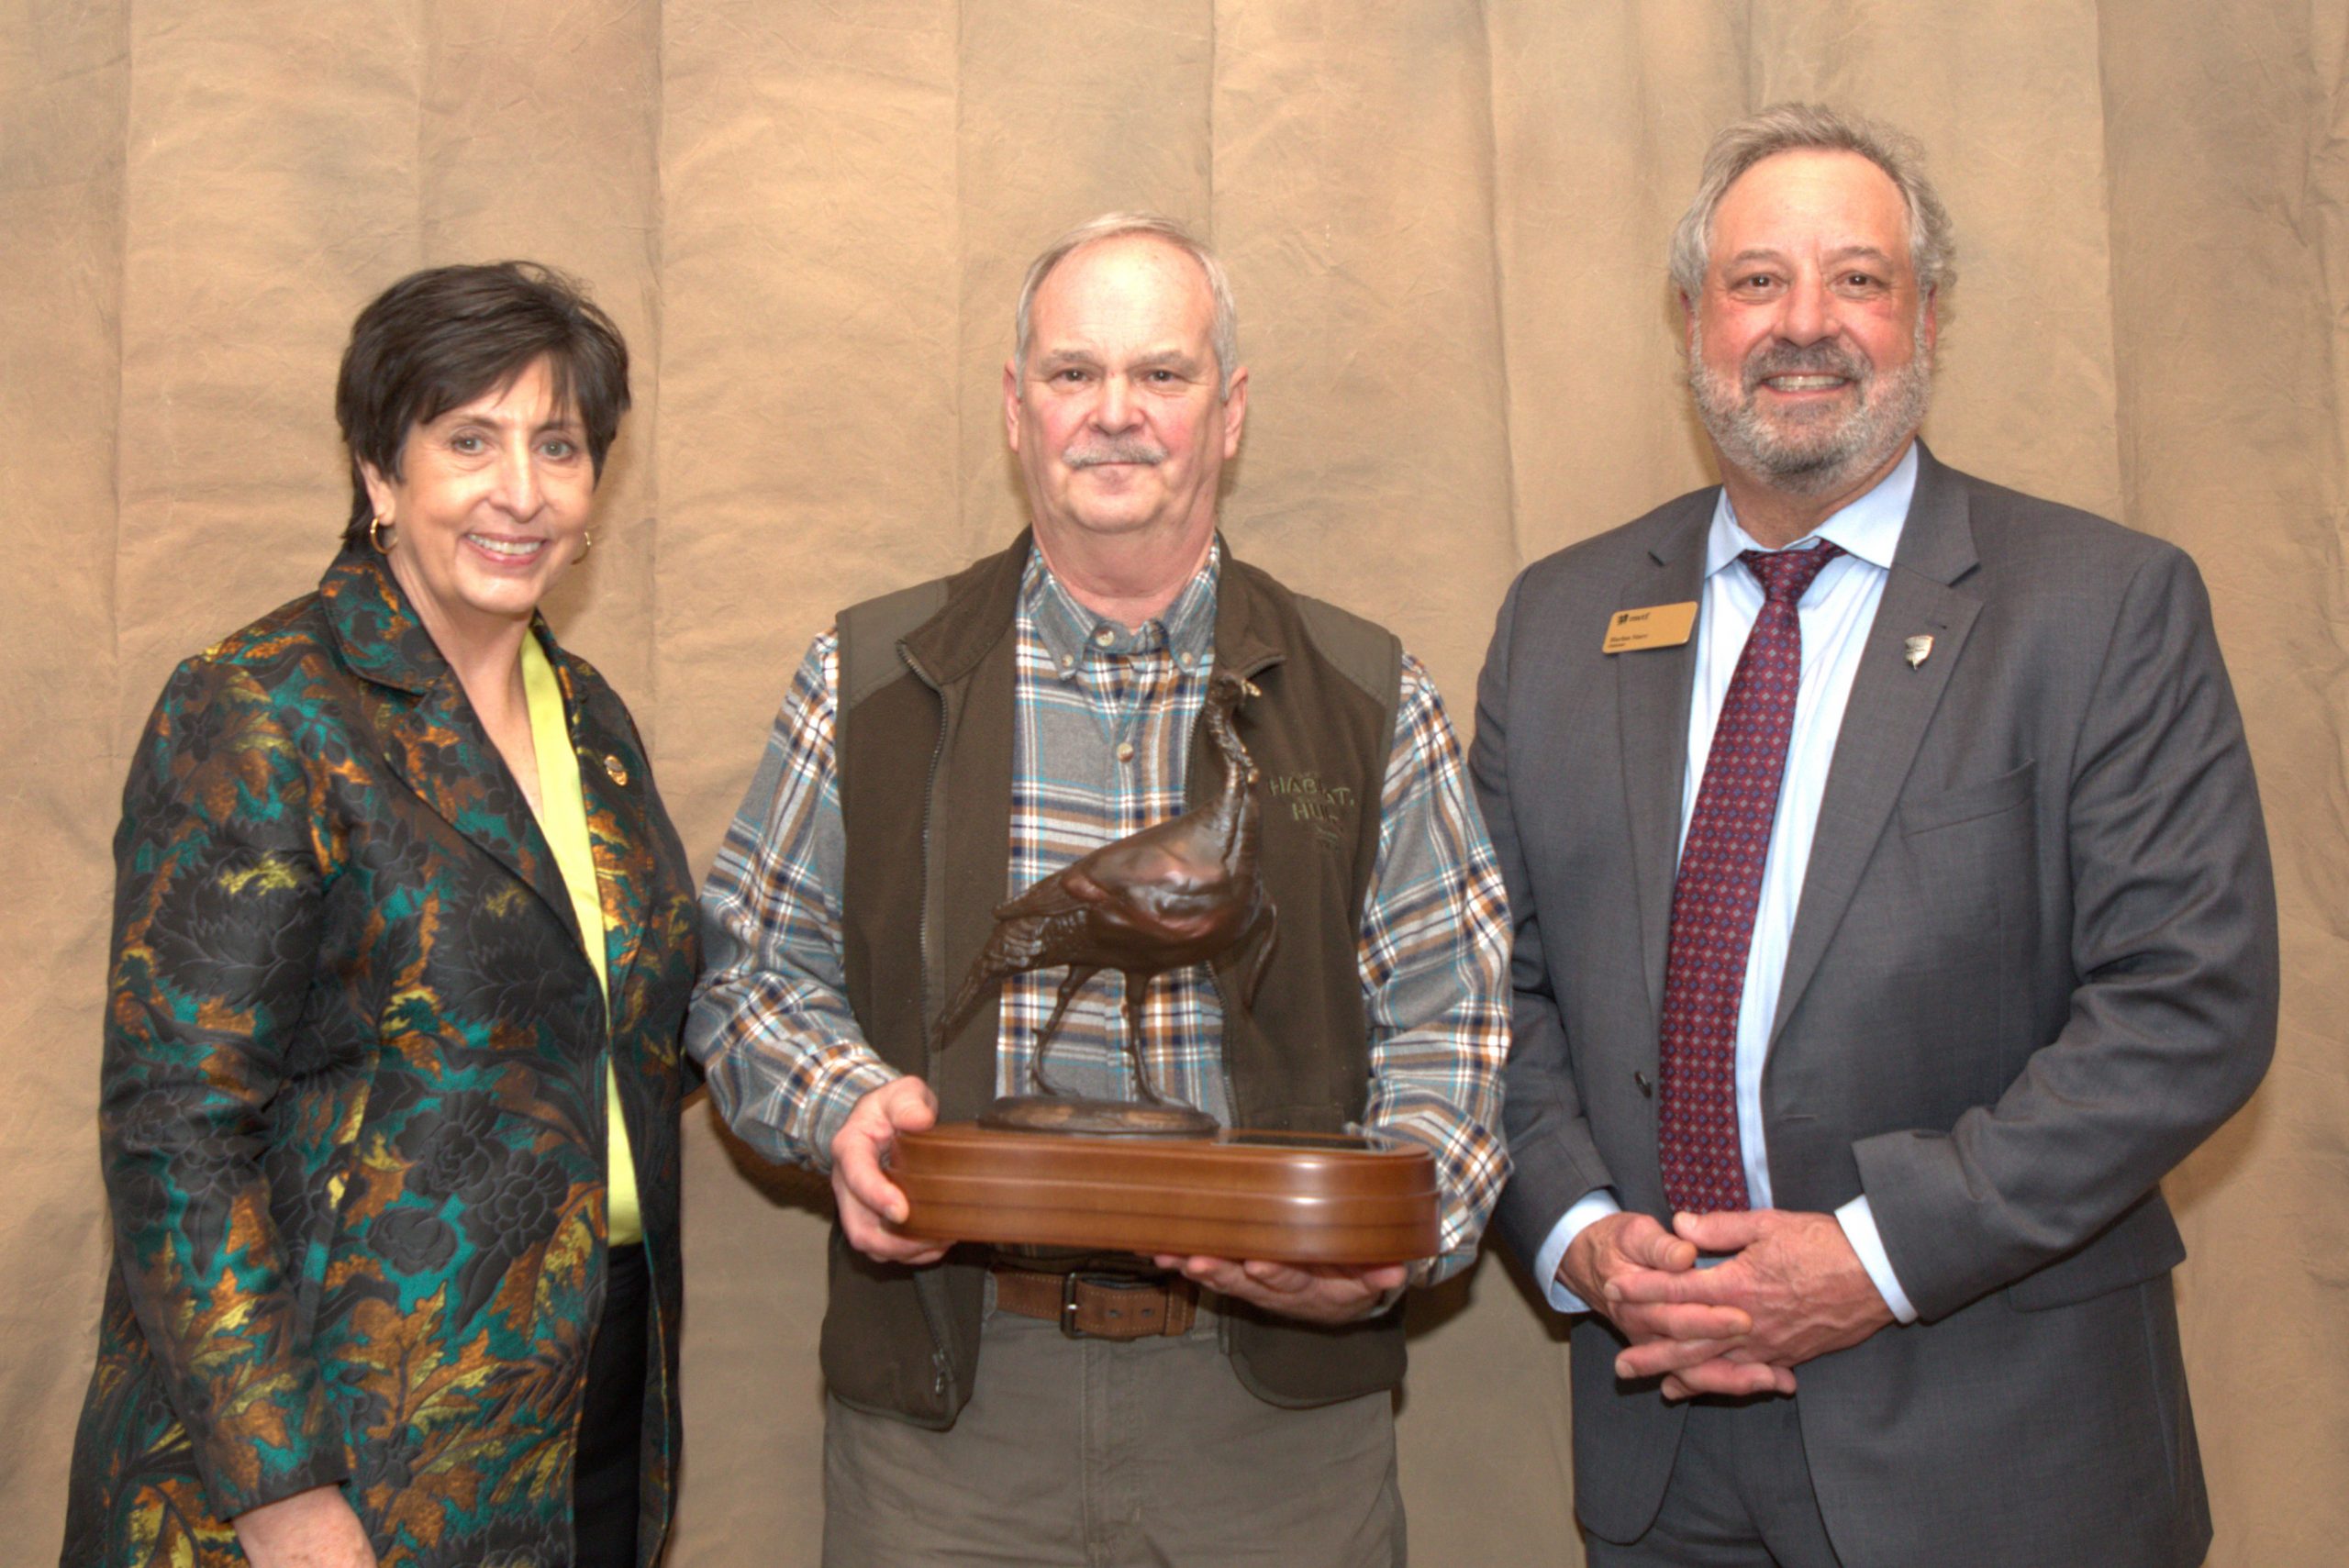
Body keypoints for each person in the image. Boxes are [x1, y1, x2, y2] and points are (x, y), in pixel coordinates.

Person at [1474, 105, 2277, 1567]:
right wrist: (1579, 1226)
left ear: (1927, 316)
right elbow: (1489, 988)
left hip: (2001, 1449)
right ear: (1692, 319)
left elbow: (2188, 1006)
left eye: (1858, 278)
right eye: (1757, 280)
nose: (1805, 324)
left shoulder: (2102, 606)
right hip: (1665, 1448)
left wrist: (1873, 1256)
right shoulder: (1558, 620)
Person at [688, 212, 1509, 1566]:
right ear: (1017, 409)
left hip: (1273, 1435)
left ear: (1229, 414)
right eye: (1073, 373)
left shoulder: (1371, 699)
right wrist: (844, 1109)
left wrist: (1385, 1239)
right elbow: (749, 975)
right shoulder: (868, 680)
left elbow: (1456, 1023)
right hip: (954, 1425)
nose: (1114, 413)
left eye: (1162, 374)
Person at [61, 262, 701, 1568]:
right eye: (469, 440)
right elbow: (175, 1131)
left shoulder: (593, 721)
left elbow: (623, 1022)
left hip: (579, 1409)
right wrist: (282, 1491)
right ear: (379, 473)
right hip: (335, 1448)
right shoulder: (265, 706)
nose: (521, 490)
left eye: (558, 446)